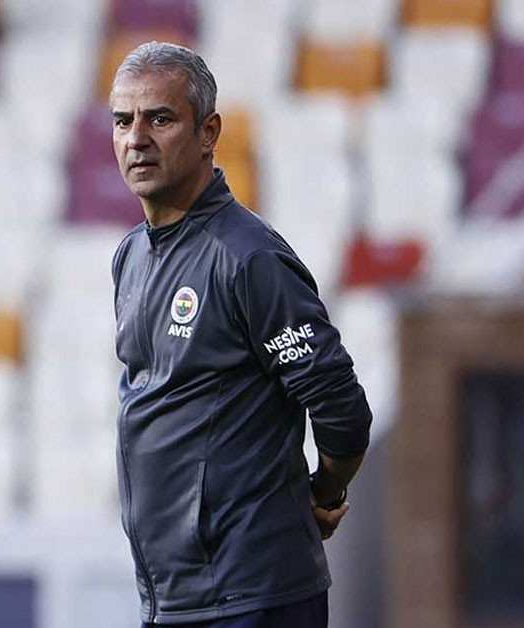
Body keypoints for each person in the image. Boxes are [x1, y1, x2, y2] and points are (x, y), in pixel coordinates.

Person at [108, 42, 372, 627]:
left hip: (252, 595)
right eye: (123, 122)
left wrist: (325, 493)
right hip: (173, 597)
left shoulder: (247, 258)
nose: (137, 139)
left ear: (208, 133)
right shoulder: (131, 257)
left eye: (160, 119)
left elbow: (341, 405)